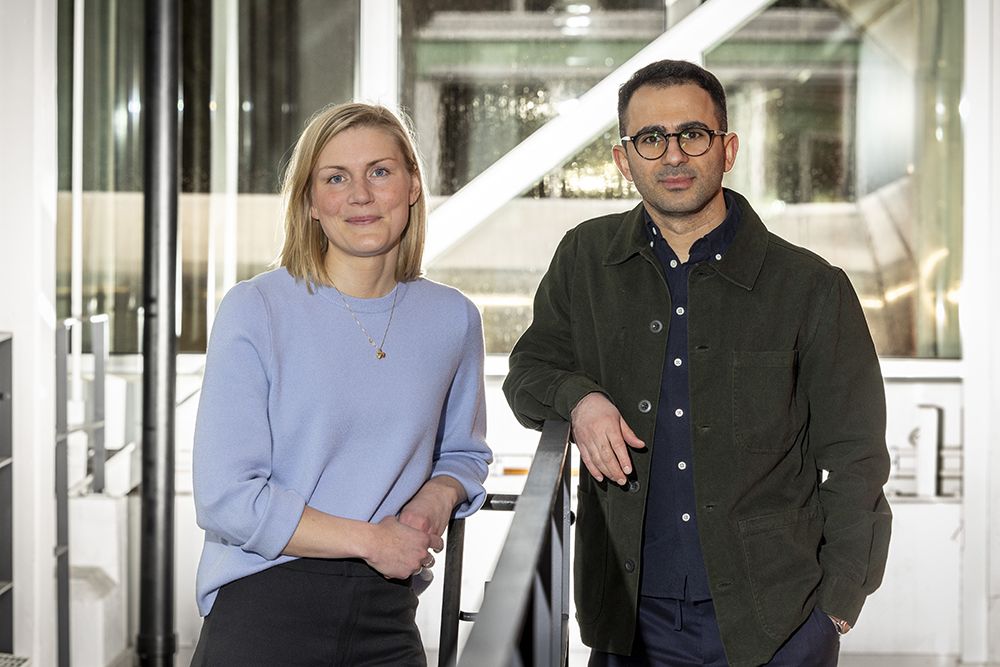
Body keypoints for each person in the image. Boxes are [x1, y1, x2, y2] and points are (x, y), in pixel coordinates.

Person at [503, 60, 891, 667]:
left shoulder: (812, 287)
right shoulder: (584, 259)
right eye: (651, 139)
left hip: (776, 622)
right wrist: (579, 398)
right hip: (627, 618)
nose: (673, 155)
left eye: (694, 134)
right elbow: (528, 372)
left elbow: (856, 458)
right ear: (623, 160)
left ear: (727, 148)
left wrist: (836, 607)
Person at [190, 102, 492, 666]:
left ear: (413, 187)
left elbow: (464, 453)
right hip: (265, 608)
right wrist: (375, 541)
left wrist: (436, 496)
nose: (361, 195)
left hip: (388, 614)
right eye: (336, 178)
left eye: (380, 171)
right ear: (309, 201)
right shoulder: (256, 310)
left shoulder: (453, 318)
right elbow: (228, 498)